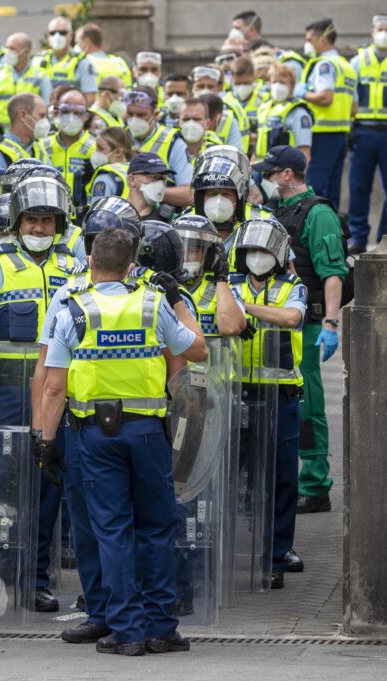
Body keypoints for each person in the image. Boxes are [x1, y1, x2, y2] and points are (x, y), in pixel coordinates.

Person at [38, 227, 208, 655]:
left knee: (111, 531)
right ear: (132, 266)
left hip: (95, 434)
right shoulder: (152, 305)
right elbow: (198, 351)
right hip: (147, 432)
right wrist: (175, 301)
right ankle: (161, 628)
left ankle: (127, 631)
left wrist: (46, 439)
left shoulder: (72, 309)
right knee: (155, 528)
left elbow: (54, 387)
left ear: (90, 263)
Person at [0, 176, 81, 617]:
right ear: (17, 221)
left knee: (48, 486)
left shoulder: (75, 261)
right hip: (4, 389)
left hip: (56, 393)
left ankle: (34, 579)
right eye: (32, 219)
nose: (39, 228)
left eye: (47, 220)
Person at [254, 146, 346, 516]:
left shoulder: (318, 214)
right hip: (280, 321)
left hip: (307, 326)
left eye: (271, 173)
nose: (267, 179)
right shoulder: (280, 211)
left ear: (287, 175)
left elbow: (333, 274)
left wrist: (330, 323)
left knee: (308, 406)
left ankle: (315, 484)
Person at [229, 216, 306, 588]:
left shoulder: (293, 287)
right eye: (251, 251)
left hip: (280, 395)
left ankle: (276, 555)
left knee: (281, 479)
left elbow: (292, 318)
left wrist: (245, 309)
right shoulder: (228, 285)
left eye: (263, 251)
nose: (257, 257)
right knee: (231, 476)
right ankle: (223, 551)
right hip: (236, 393)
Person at [300, 18, 356, 208]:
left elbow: (325, 97)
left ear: (322, 39)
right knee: (333, 192)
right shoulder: (346, 66)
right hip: (340, 135)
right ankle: (333, 234)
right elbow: (354, 108)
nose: (307, 43)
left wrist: (302, 94)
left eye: (309, 39)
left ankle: (315, 235)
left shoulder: (324, 65)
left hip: (321, 133)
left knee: (315, 190)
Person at [347, 14, 387, 253]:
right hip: (362, 131)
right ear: (371, 32)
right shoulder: (358, 62)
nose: (383, 32)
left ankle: (385, 236)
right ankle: (358, 237)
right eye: (380, 28)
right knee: (358, 187)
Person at [122, 89, 193, 208]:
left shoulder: (173, 142)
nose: (134, 119)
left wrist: (151, 190)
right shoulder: (118, 137)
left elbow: (189, 194)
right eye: (130, 114)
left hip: (158, 218)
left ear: (155, 114)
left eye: (141, 115)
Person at [36, 87, 96, 213]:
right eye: (66, 111)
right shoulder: (42, 146)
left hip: (83, 219)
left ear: (86, 116)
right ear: (57, 112)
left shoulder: (97, 147)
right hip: (48, 216)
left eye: (77, 112)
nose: (71, 117)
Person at [254, 64, 313, 162]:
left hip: (283, 171)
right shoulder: (264, 108)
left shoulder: (298, 113)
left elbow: (304, 153)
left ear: (292, 86)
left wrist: (297, 176)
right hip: (261, 168)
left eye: (282, 82)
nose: (277, 86)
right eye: (274, 82)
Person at [34, 15, 97, 99]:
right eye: (53, 33)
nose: (57, 36)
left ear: (71, 35)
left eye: (62, 33)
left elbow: (89, 98)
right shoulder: (38, 59)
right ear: (48, 36)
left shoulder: (81, 62)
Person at [87, 127, 133, 205]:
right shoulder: (137, 171)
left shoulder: (105, 178)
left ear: (118, 152)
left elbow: (99, 214)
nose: (96, 152)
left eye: (100, 148)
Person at [125, 153, 176, 222]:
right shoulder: (114, 215)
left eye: (164, 179)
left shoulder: (171, 219)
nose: (160, 184)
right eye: (154, 177)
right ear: (132, 180)